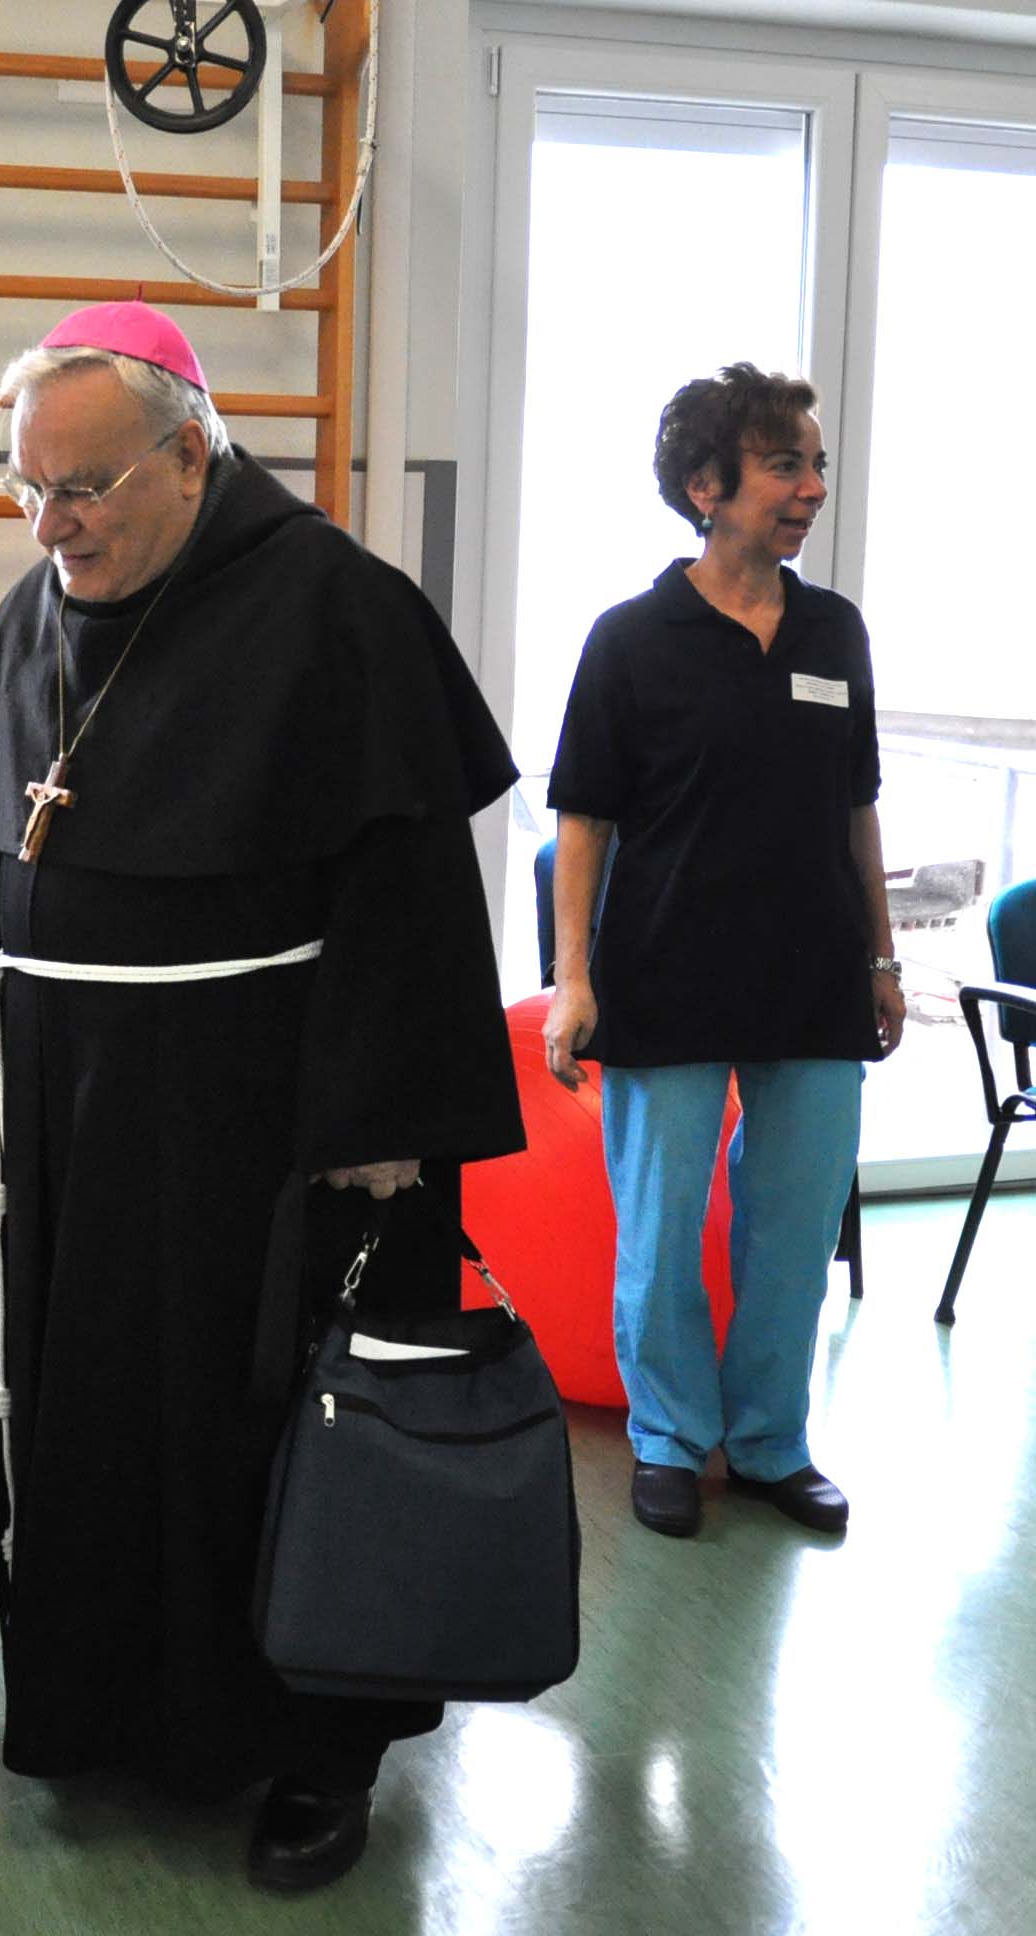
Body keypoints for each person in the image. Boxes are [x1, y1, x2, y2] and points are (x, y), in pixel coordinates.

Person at [0, 302, 524, 1892]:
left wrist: (385, 1140)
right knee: (94, 1429)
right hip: (73, 1125)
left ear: (191, 456)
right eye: (27, 489)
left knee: (280, 1438)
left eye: (84, 487)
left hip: (272, 1136)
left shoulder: (338, 612)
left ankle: (319, 1751)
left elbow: (412, 902)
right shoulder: (32, 620)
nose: (51, 525)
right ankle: (111, 1711)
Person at [542, 363, 901, 1544]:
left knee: (792, 1231)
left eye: (815, 465)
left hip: (813, 973)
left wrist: (881, 960)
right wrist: (574, 979)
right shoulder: (630, 639)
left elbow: (856, 806)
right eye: (784, 465)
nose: (811, 488)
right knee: (658, 1232)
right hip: (666, 971)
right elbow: (582, 820)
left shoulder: (834, 630)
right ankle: (665, 1437)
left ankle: (768, 1444)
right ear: (706, 484)